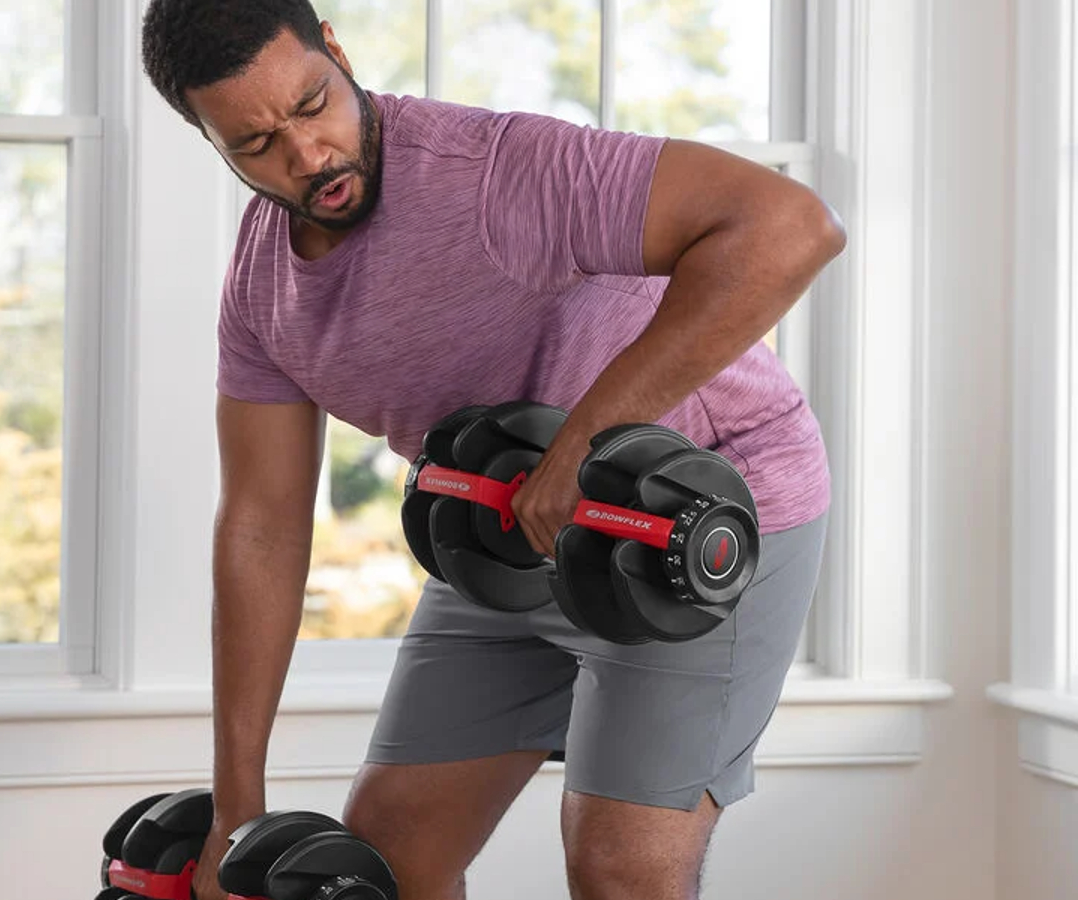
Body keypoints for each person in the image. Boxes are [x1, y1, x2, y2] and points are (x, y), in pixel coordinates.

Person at [141, 2, 846, 898]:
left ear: (338, 54)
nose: (307, 155)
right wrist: (236, 806)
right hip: (503, 528)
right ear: (209, 141)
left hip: (688, 512)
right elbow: (261, 526)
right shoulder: (262, 289)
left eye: (314, 104)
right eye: (255, 144)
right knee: (393, 852)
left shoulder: (497, 173)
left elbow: (791, 226)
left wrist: (584, 442)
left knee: (619, 868)